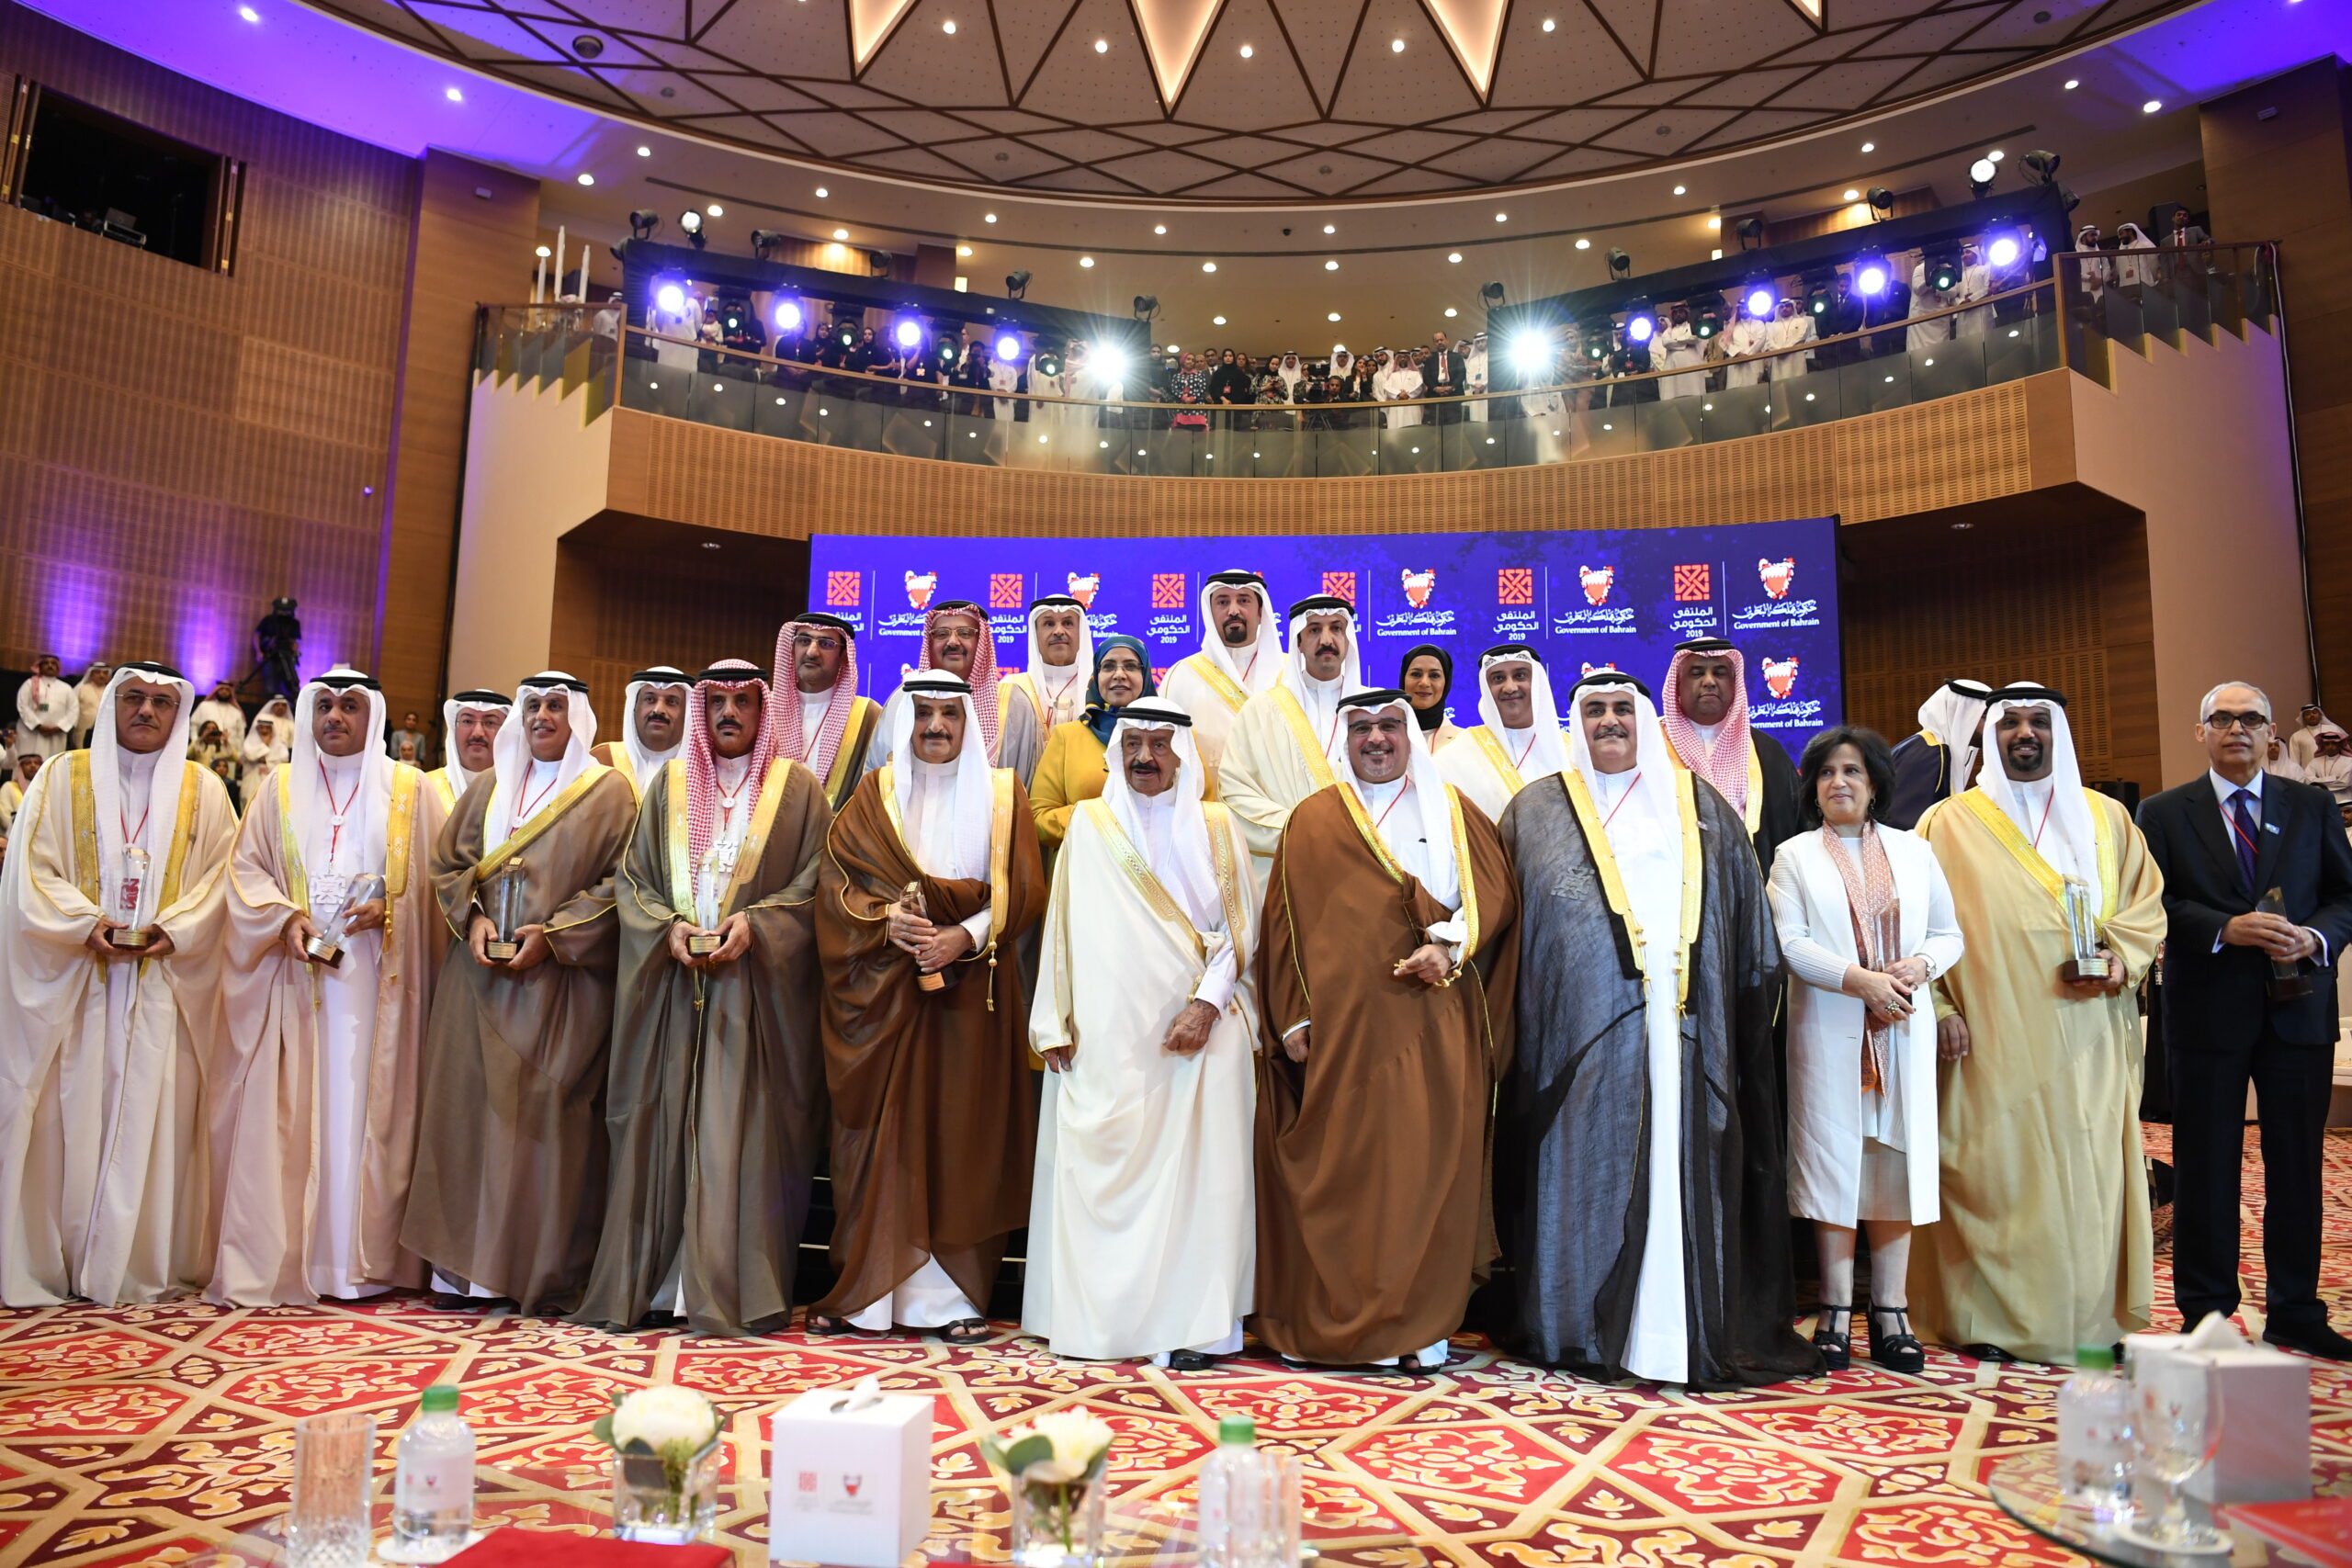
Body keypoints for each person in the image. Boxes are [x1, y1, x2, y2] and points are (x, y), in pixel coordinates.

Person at [1496, 671, 1815, 1386]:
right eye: (1594, 710)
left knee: (1680, 1170)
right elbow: (1512, 931)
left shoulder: (1699, 804)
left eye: (1621, 708)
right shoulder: (1535, 810)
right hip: (1576, 1043)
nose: (1609, 721)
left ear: (1644, 718)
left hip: (1686, 1033)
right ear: (1575, 722)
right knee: (1584, 1173)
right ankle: (1578, 1327)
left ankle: (1673, 1331)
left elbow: (1747, 925)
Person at [1251, 689, 1515, 1371]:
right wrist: (1293, 1016)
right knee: (1344, 1173)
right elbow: (1282, 924)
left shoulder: (1453, 810)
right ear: (1344, 739)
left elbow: (1493, 895)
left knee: (1427, 1172)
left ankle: (1418, 1328)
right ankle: (1332, 1322)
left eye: (1390, 726)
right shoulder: (1313, 818)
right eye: (1362, 727)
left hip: (1432, 1020)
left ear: (1411, 735)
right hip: (1340, 1036)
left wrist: (1450, 946)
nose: (1376, 739)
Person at [574, 660, 831, 1337]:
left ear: (763, 710)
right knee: (659, 1128)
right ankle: (658, 1284)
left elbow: (817, 881)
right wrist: (667, 929)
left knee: (736, 1137)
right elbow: (633, 879)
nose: (728, 714)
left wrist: (760, 925)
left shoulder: (798, 788)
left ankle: (726, 1288)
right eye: (715, 701)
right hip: (673, 985)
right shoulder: (670, 784)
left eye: (742, 702)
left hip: (754, 995)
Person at [1910, 684, 2165, 1362]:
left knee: (2089, 1176)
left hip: (2090, 1034)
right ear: (1990, 735)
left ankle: (2087, 1321)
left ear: (2060, 734)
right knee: (1992, 1173)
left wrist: (2122, 958)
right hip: (1987, 1037)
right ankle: (1987, 1321)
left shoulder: (2108, 817)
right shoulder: (1945, 823)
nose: (2025, 734)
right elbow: (1914, 925)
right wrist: (1939, 1006)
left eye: (2039, 722)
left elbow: (2146, 904)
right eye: (2011, 723)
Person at [811, 673, 1046, 1341]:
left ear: (969, 721)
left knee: (961, 1135)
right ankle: (868, 1296)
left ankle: (952, 1301)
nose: (936, 726)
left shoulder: (1003, 794)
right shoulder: (872, 794)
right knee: (882, 1137)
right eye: (923, 714)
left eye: (949, 713)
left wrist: (960, 936)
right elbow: (836, 886)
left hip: (972, 995)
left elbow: (1022, 890)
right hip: (885, 992)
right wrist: (883, 922)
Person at [1024, 696, 1256, 1365]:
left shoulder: (1218, 825)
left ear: (1183, 754)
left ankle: (1201, 1328)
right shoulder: (1088, 824)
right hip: (1105, 1036)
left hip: (1200, 1032)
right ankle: (1102, 1324)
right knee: (1099, 1172)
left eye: (1160, 745)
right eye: (1133, 745)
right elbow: (1060, 926)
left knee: (1203, 1185)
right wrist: (1052, 1020)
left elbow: (1243, 931)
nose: (1146, 757)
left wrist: (1207, 1005)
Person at [0, 661, 240, 1306]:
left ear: (178, 714)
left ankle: (135, 1263)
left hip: (164, 983)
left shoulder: (205, 789)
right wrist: (84, 924)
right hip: (79, 982)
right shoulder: (61, 775)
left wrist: (177, 929)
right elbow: (31, 871)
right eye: (134, 697)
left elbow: (222, 879)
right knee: (68, 1118)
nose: (146, 711)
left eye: (162, 702)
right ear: (110, 704)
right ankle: (60, 1257)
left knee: (151, 1120)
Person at [209, 667, 447, 1305]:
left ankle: (365, 1261)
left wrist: (392, 910)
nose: (334, 717)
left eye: (349, 706)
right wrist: (284, 919)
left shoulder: (412, 789)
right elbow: (246, 872)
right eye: (324, 706)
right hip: (297, 977)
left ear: (374, 716)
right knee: (300, 1109)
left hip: (380, 987)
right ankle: (298, 1255)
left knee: (362, 1111)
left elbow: (439, 885)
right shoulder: (278, 787)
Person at [402, 672, 636, 1315]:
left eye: (556, 706)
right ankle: (463, 1275)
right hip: (477, 980)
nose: (542, 716)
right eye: (532, 705)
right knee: (466, 1122)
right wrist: (473, 918)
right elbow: (449, 866)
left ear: (577, 718)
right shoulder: (488, 786)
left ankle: (534, 1272)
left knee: (543, 1128)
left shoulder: (608, 793)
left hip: (557, 989)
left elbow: (621, 883)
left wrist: (555, 935)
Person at [2136, 682, 2352, 1359]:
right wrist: (2223, 928)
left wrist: (2315, 938)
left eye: (2251, 719)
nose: (2237, 729)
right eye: (2223, 719)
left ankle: (2297, 1310)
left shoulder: (2312, 805)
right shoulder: (2163, 812)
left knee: (2297, 1163)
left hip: (2300, 1008)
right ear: (2201, 732)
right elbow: (2152, 902)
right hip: (2207, 1011)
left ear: (2270, 734)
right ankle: (2204, 1312)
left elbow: (2345, 895)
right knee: (2205, 1165)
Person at [1768, 728, 1963, 1374]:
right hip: (1830, 1029)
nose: (1839, 782)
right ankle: (1832, 1308)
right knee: (1834, 1162)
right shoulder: (1794, 856)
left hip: (1901, 1027)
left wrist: (1919, 966)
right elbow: (1790, 943)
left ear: (1875, 782)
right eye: (1826, 773)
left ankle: (1890, 1309)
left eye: (1852, 771)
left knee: (1893, 1163)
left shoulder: (1915, 851)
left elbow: (1949, 934)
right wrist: (1859, 981)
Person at [1216, 595, 1364, 888]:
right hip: (1284, 871)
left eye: (1336, 628)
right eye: (1314, 630)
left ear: (1348, 638)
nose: (1326, 639)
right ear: (1298, 642)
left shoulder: (1376, 713)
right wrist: (1302, 830)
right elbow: (1233, 792)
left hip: (1362, 867)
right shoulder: (1260, 711)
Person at [1658, 637, 1800, 873]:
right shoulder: (1649, 747)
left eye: (1720, 673)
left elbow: (1794, 829)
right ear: (1677, 685)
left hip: (1752, 883)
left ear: (1734, 685)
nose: (1709, 681)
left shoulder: (1768, 753)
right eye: (1696, 673)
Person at [867, 600, 1045, 784]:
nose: (952, 642)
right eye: (942, 634)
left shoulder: (1013, 704)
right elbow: (879, 777)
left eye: (965, 633)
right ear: (929, 644)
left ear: (981, 642)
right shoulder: (904, 698)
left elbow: (1026, 783)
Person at [1029, 637, 1157, 864]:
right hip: (1084, 869)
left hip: (1154, 870)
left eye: (1130, 666)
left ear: (1145, 675)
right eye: (1108, 666)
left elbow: (1197, 813)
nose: (1119, 674)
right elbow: (1038, 819)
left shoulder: (1172, 737)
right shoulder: (1067, 737)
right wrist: (1100, 818)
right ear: (1096, 676)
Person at [1161, 570, 1285, 769]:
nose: (1233, 610)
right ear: (1209, 613)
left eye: (1243, 600)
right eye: (1223, 602)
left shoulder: (1290, 672)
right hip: (1206, 789)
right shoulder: (1181, 675)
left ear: (1261, 612)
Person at [1436, 645, 1571, 825]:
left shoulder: (1571, 751)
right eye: (1498, 678)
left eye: (1520, 675)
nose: (1510, 687)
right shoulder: (1455, 756)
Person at [774, 613, 882, 812]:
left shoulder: (866, 716)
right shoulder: (765, 709)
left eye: (826, 644)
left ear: (843, 655)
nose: (812, 652)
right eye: (804, 641)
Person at [1884, 678, 1992, 830]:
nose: (1990, 726)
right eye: (1984, 717)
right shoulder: (1931, 754)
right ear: (1960, 715)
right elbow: (1906, 825)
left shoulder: (1927, 747)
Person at [1000, 595, 1094, 739]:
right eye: (1049, 624)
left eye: (1067, 623)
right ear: (1035, 635)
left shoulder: (1097, 690)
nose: (1059, 631)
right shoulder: (1014, 688)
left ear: (1081, 633)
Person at [594, 667, 690, 799]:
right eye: (650, 699)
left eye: (671, 702)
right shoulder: (602, 759)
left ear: (687, 714)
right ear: (634, 708)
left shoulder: (700, 770)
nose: (658, 710)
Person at [430, 690, 511, 811]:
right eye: (467, 721)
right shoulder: (427, 786)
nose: (478, 733)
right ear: (454, 730)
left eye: (490, 723)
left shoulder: (518, 791)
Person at [1398, 645, 1461, 752]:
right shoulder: (1382, 738)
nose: (1424, 683)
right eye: (1416, 674)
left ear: (1446, 683)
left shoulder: (1465, 741)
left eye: (1434, 675)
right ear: (1403, 679)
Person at [14, 654, 74, 762]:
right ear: (39, 666)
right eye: (46, 663)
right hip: (32, 733)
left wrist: (59, 727)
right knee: (28, 763)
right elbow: (22, 706)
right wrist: (38, 725)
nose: (50, 666)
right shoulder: (29, 684)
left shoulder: (66, 688)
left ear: (58, 668)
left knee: (52, 765)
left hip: (56, 735)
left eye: (53, 663)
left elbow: (73, 711)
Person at [242, 696, 293, 804]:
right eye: (261, 728)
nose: (264, 731)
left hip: (271, 780)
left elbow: (283, 759)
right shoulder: (249, 742)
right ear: (257, 729)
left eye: (267, 728)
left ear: (272, 730)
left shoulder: (279, 746)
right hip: (252, 779)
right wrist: (265, 745)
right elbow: (250, 756)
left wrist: (265, 761)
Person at [254, 597, 302, 704]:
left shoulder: (294, 623)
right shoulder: (268, 620)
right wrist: (258, 652)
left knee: (290, 682)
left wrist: (295, 654)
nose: (284, 612)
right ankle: (269, 704)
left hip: (287, 655)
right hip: (270, 655)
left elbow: (295, 641)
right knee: (270, 683)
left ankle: (292, 705)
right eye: (282, 609)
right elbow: (257, 635)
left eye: (287, 610)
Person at [1763, 298, 1816, 381]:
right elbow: (1769, 342)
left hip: (1795, 358)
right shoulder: (1772, 326)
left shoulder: (1801, 321)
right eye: (1782, 307)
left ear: (1792, 308)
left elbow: (1801, 337)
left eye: (1787, 306)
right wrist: (1779, 350)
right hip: (1778, 359)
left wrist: (1786, 349)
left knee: (1798, 382)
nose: (1784, 309)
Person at [193, 681, 247, 755]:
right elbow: (194, 725)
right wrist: (196, 741)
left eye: (227, 690)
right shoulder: (204, 706)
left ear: (231, 692)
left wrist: (238, 752)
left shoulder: (236, 712)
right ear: (216, 690)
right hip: (204, 749)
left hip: (227, 752)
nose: (224, 692)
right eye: (221, 689)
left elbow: (240, 734)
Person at [2305, 725, 2352, 807]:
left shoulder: (2349, 761)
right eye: (2327, 744)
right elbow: (2309, 782)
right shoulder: (2314, 762)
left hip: (2343, 802)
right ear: (2323, 746)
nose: (2330, 747)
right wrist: (2334, 778)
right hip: (2321, 802)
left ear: (2340, 745)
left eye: (2334, 743)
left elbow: (2344, 782)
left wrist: (2318, 781)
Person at [71, 662, 111, 748]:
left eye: (105, 673)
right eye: (98, 672)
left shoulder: (111, 691)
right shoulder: (81, 689)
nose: (101, 675)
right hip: (83, 730)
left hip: (105, 731)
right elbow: (72, 710)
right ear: (91, 674)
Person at [2289, 702, 2335, 767]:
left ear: (2320, 715)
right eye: (2307, 714)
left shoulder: (2333, 730)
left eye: (2314, 712)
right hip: (2308, 772)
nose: (2312, 715)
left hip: (2332, 770)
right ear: (2303, 718)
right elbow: (2294, 761)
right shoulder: (2296, 736)